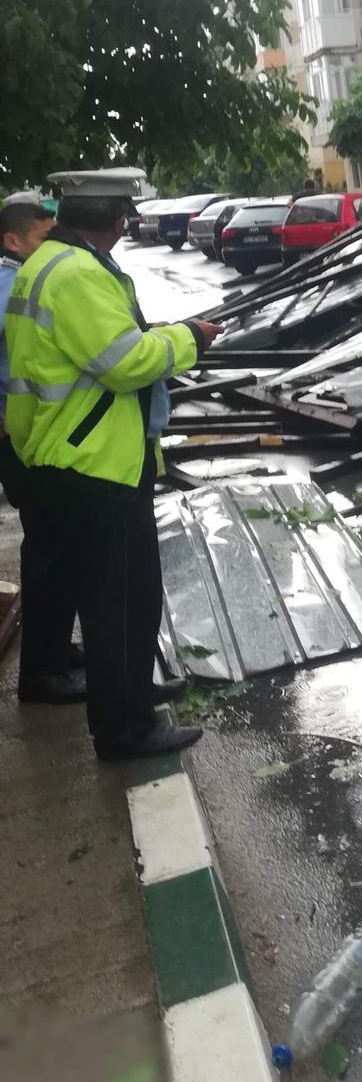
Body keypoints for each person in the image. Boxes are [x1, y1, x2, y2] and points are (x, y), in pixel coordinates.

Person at [4, 169, 223, 759]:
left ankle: (130, 695)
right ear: (116, 219)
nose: (127, 223)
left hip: (60, 456)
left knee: (109, 598)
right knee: (123, 602)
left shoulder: (44, 264)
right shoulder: (77, 274)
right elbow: (124, 362)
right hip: (95, 465)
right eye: (126, 213)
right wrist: (190, 340)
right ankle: (126, 728)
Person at [0, 200, 85, 698]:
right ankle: (43, 672)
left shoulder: (23, 277)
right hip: (19, 439)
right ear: (13, 240)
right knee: (51, 548)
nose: (53, 244)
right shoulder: (11, 283)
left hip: (32, 434)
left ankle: (54, 647)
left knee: (56, 544)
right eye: (43, 235)